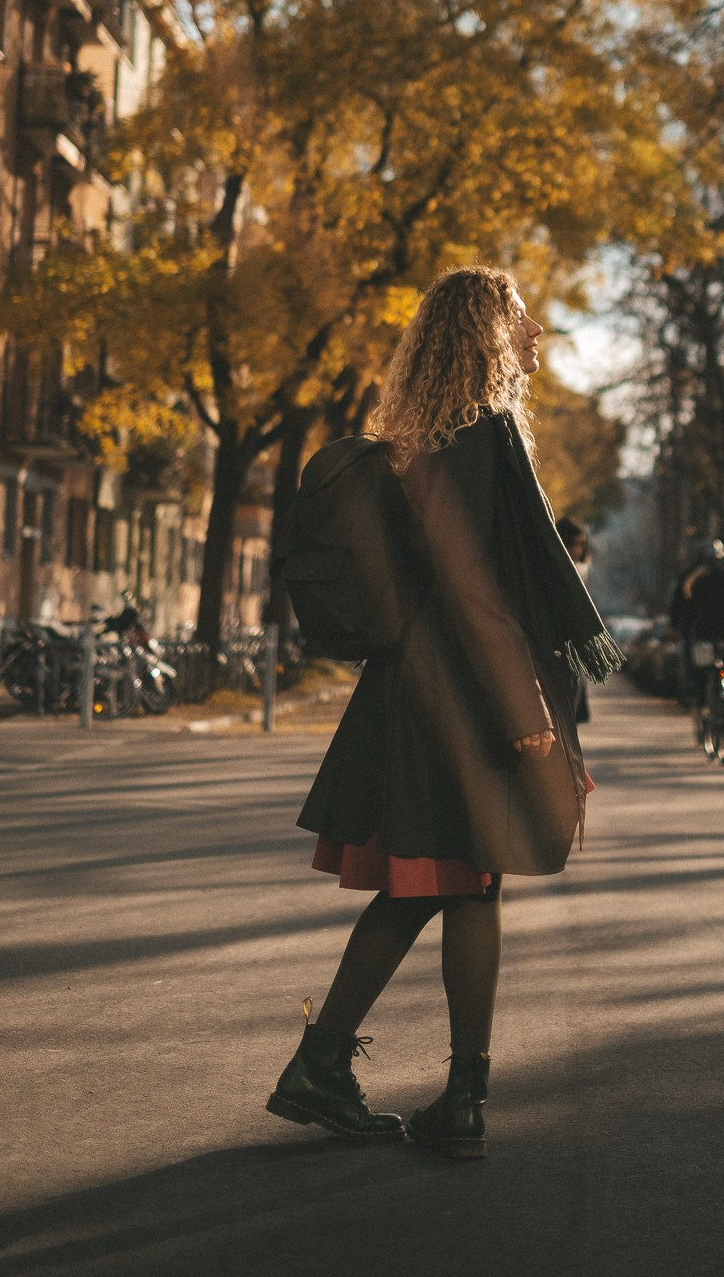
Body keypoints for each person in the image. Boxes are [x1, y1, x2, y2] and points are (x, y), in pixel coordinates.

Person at [266, 266, 622, 1159]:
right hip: (459, 699)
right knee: (441, 882)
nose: (536, 331)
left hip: (434, 691)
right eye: (520, 318)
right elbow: (474, 592)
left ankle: (439, 1090)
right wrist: (529, 717)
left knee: (462, 882)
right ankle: (373, 1076)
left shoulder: (443, 440)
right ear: (484, 337)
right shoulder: (475, 439)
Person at [677, 541, 724, 733]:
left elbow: (689, 614)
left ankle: (702, 708)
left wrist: (686, 633)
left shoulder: (697, 582)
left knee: (703, 674)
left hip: (705, 637)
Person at [556, 515, 594, 723]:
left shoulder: (579, 568)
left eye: (581, 545)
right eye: (574, 544)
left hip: (573, 647)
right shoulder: (558, 568)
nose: (578, 550)